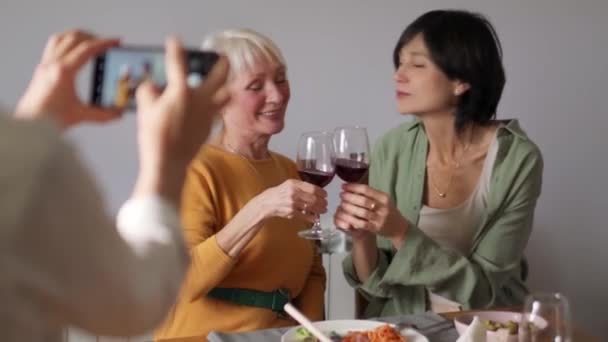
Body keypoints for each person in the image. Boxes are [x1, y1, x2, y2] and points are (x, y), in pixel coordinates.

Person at [0, 29, 230, 341]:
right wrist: (168, 163)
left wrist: (34, 126)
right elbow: (133, 302)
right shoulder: (31, 162)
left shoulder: (25, 159)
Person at [336, 10, 543, 317]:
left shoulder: (518, 160)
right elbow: (375, 286)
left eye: (417, 64)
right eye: (400, 62)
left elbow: (484, 290)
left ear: (461, 80)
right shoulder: (392, 148)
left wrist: (401, 232)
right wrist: (362, 236)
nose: (399, 75)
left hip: (488, 326)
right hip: (406, 326)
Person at [155, 28, 327, 340]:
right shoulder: (195, 169)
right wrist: (260, 208)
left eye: (280, 78)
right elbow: (185, 281)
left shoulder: (289, 169)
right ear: (218, 99)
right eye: (255, 86)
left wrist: (312, 334)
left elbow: (314, 270)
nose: (276, 95)